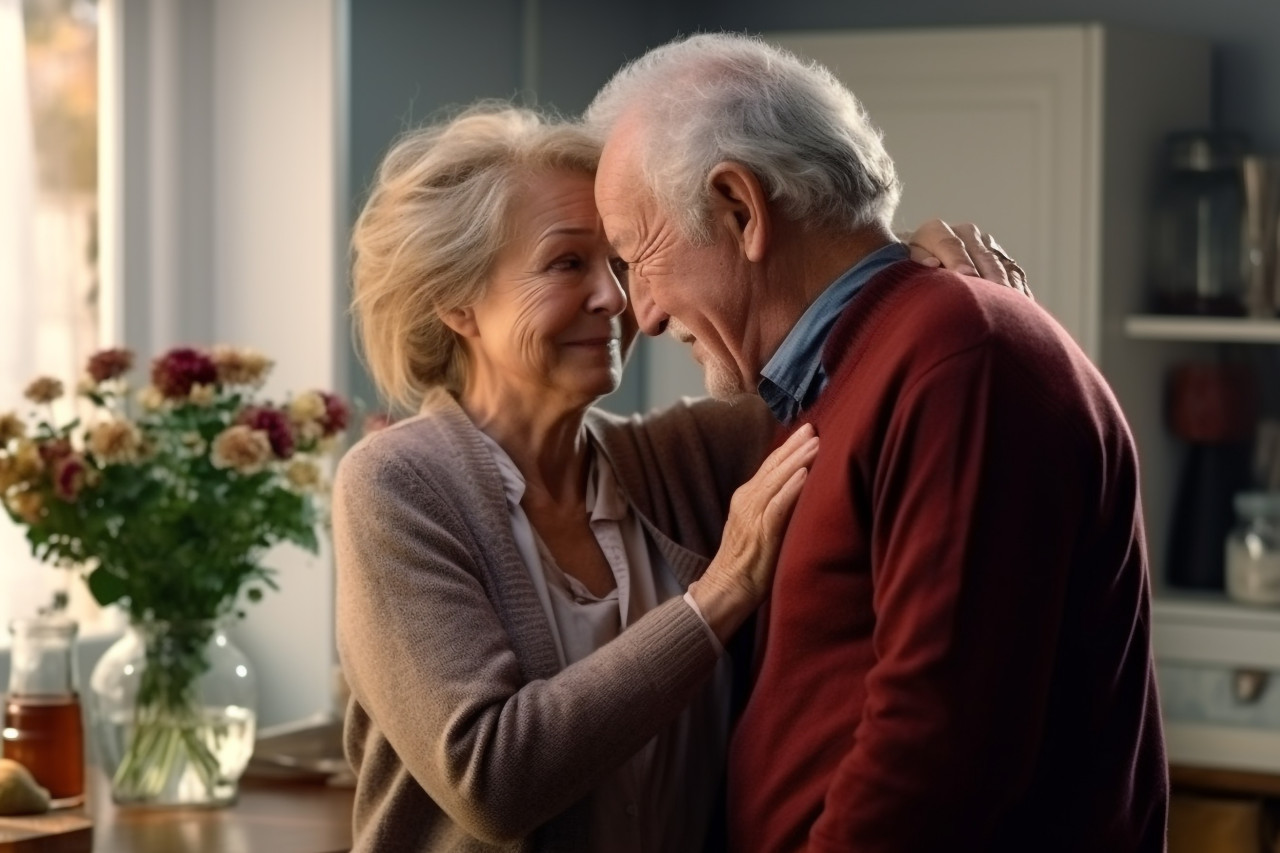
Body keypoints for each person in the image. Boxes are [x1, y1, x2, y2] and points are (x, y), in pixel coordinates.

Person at [335, 102, 1016, 853]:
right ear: (456, 303)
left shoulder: (686, 457)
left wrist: (903, 260)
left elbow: (855, 365)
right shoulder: (395, 485)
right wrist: (719, 595)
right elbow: (492, 779)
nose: (617, 299)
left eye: (619, 263)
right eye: (567, 264)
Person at [587, 32, 1166, 853]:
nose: (641, 314)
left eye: (635, 257)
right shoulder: (846, 373)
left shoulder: (959, 359)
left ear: (740, 209)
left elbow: (936, 753)